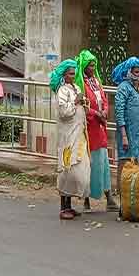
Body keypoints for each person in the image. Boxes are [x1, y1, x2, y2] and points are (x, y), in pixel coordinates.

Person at [75, 50, 117, 213]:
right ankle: (86, 199)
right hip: (89, 130)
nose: (93, 68)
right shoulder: (81, 84)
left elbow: (104, 100)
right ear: (84, 67)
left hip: (100, 129)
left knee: (103, 163)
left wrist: (105, 111)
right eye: (90, 65)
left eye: (94, 65)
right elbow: (83, 107)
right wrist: (96, 114)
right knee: (90, 164)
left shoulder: (96, 82)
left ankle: (109, 197)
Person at [51, 59, 90, 220]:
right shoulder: (62, 91)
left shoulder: (76, 88)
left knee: (78, 168)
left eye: (74, 73)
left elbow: (81, 108)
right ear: (64, 75)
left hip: (79, 134)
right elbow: (64, 112)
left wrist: (83, 103)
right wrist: (75, 102)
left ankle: (70, 204)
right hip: (68, 136)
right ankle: (63, 206)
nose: (73, 76)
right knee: (67, 168)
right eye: (70, 73)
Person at [112, 56, 139, 212]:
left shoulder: (138, 88)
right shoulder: (123, 88)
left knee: (137, 166)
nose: (138, 75)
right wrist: (124, 135)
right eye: (135, 72)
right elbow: (119, 112)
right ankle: (123, 203)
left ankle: (134, 202)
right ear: (128, 72)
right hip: (127, 133)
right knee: (125, 167)